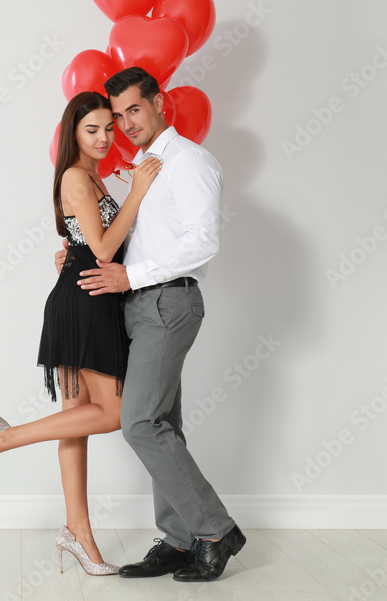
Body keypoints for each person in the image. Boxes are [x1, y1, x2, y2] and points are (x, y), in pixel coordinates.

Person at [0, 91, 161, 576]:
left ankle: (78, 535)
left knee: (78, 420)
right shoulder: (74, 176)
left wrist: (79, 245)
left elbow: (90, 243)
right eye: (93, 130)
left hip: (88, 297)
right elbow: (106, 249)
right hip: (83, 306)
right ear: (73, 134)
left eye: (109, 127)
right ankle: (0, 438)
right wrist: (137, 193)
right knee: (111, 413)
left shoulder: (96, 177)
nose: (106, 136)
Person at [69, 66, 245, 582]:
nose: (125, 123)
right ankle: (180, 538)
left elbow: (202, 240)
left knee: (139, 422)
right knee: (163, 424)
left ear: (159, 102)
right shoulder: (144, 166)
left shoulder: (189, 161)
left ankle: (215, 530)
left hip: (168, 303)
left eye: (134, 110)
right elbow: (140, 238)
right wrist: (77, 257)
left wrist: (133, 277)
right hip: (140, 304)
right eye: (118, 115)